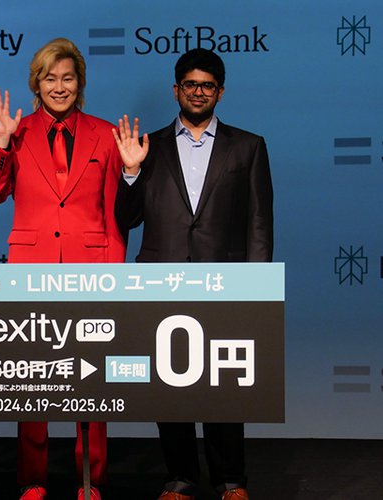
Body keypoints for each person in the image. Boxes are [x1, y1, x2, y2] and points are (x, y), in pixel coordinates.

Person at [113, 48, 273, 500]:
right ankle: (180, 478)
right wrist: (130, 171)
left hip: (225, 283)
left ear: (220, 92)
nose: (198, 92)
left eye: (207, 85)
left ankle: (231, 480)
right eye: (190, 84)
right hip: (161, 282)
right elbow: (126, 219)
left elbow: (259, 223)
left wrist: (256, 291)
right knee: (171, 386)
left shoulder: (248, 146)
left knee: (224, 386)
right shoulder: (149, 146)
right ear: (176, 90)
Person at [0, 37, 125, 500]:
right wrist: (2, 142)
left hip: (91, 270)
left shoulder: (105, 134)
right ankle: (33, 480)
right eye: (49, 79)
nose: (59, 87)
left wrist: (113, 273)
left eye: (67, 78)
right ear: (36, 85)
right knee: (32, 380)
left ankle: (90, 480)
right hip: (31, 269)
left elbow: (114, 212)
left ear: (80, 83)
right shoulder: (16, 133)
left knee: (91, 380)